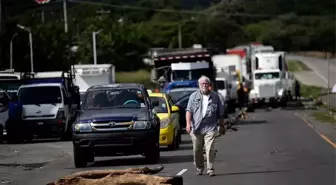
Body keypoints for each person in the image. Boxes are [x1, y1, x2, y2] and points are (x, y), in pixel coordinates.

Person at [186, 75, 225, 177]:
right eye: (202, 83)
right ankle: (199, 167)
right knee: (197, 150)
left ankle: (210, 169)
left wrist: (222, 125)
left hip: (210, 127)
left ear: (209, 85)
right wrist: (188, 124)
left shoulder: (215, 96)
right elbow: (189, 111)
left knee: (210, 148)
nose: (204, 85)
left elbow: (220, 113)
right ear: (199, 85)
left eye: (206, 83)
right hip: (196, 127)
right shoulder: (193, 97)